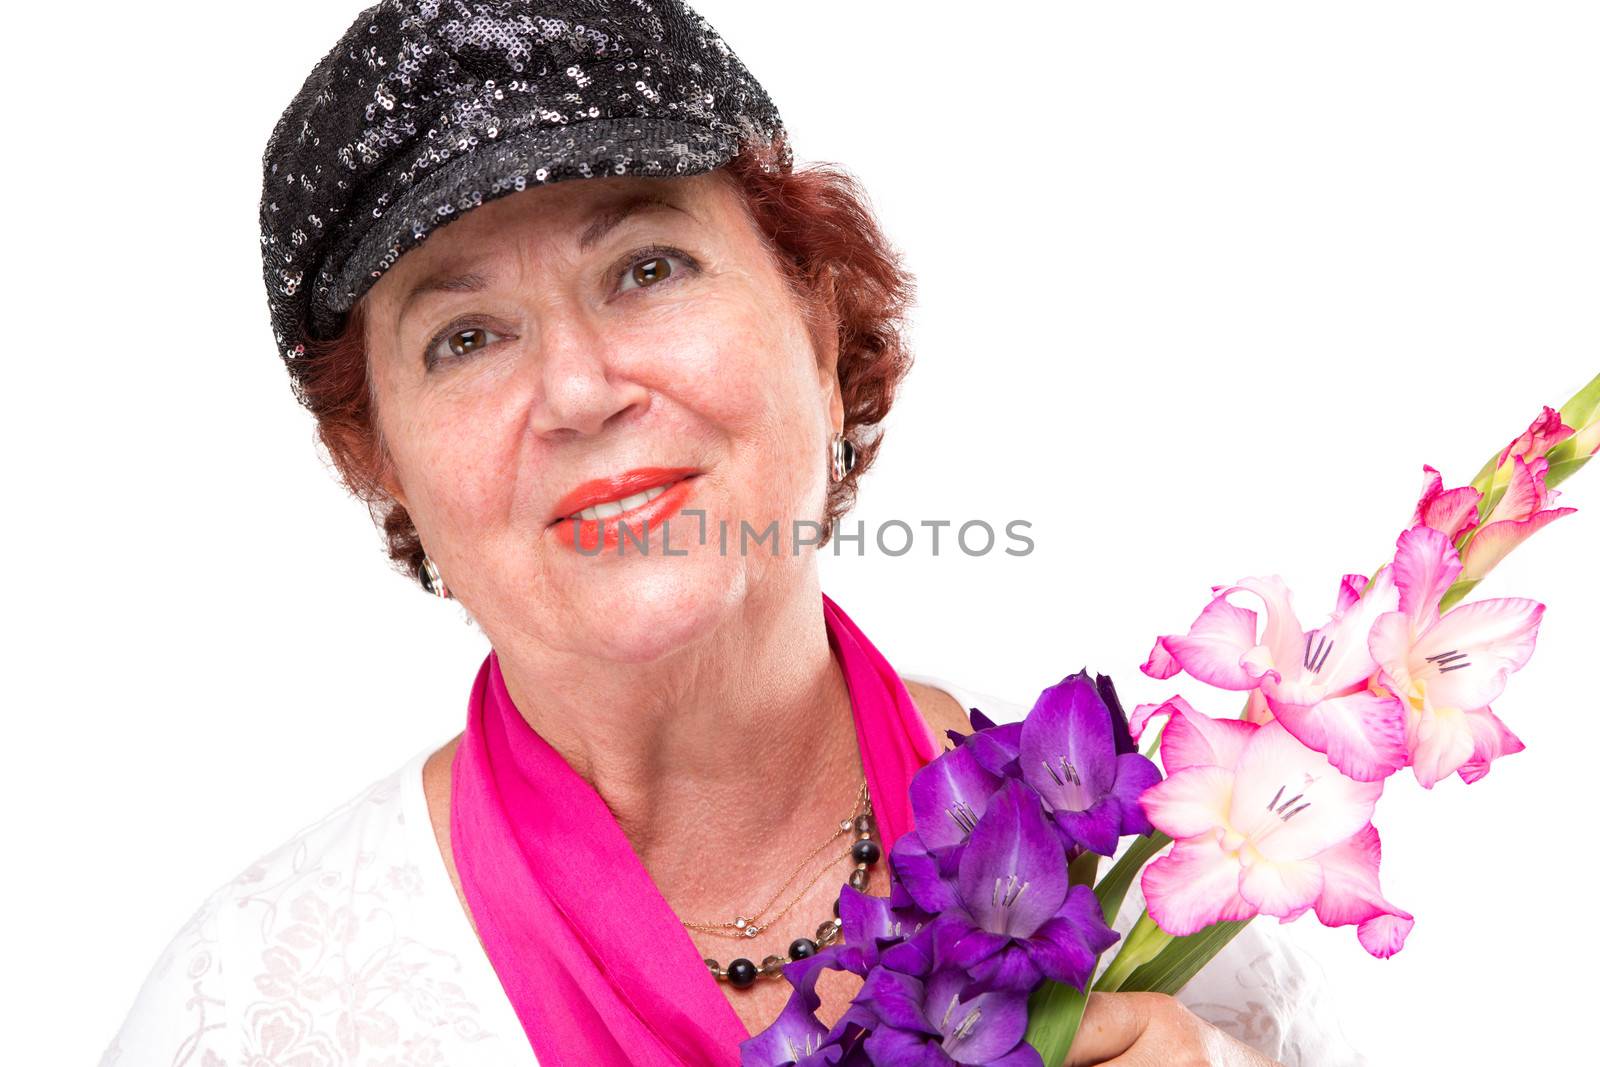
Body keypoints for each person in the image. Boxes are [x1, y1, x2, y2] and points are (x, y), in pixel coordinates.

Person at [101, 2, 1365, 1064]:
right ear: (379, 457)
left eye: (647, 267)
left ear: (816, 318)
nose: (582, 389)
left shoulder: (1143, 870)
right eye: (465, 337)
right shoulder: (258, 1009)